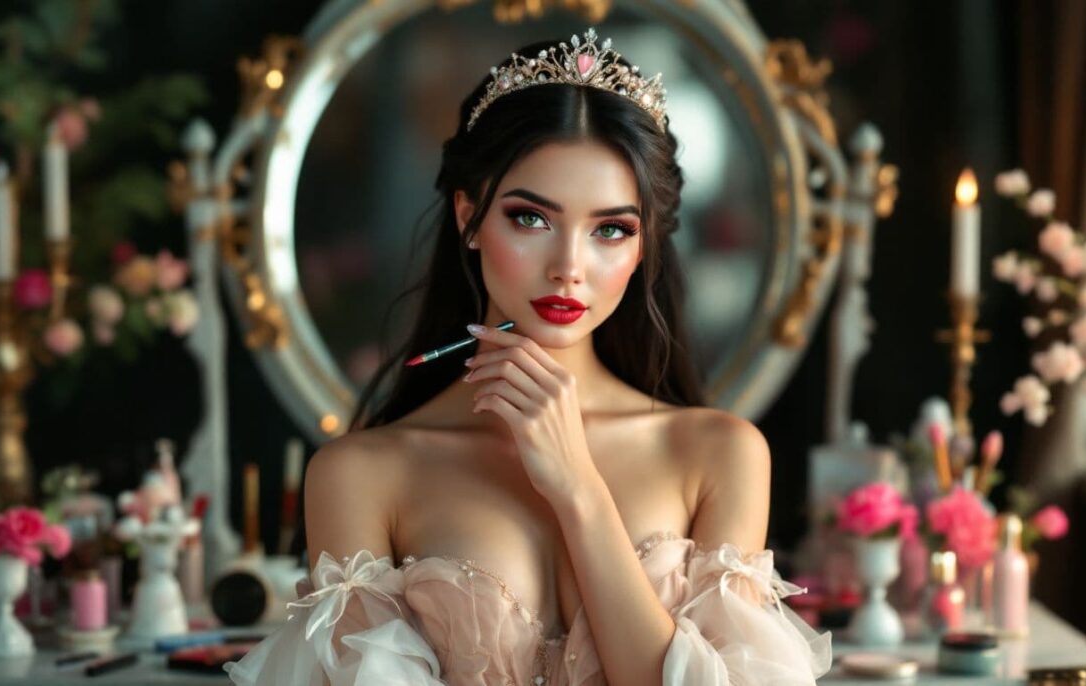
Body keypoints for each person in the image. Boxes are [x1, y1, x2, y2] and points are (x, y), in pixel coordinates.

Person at [227, 27, 832, 685]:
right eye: (531, 218)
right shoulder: (362, 473)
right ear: (468, 216)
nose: (569, 267)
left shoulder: (721, 453)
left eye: (610, 229)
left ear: (643, 247)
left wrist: (578, 488)